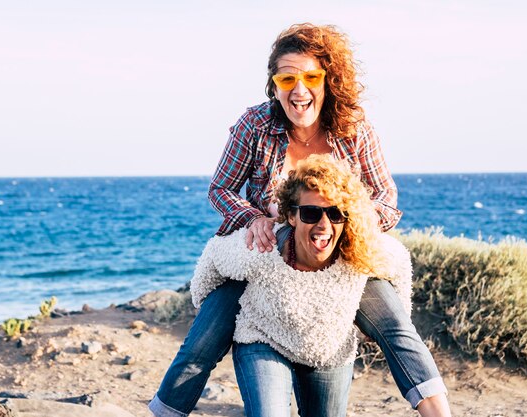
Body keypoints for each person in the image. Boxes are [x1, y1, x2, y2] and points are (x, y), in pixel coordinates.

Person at [150, 23, 450, 417]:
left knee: (396, 327)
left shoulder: (353, 129)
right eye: (286, 78)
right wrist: (253, 216)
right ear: (274, 84)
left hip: (338, 254)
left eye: (310, 76)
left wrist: (350, 224)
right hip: (268, 256)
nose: (299, 89)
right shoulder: (255, 125)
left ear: (328, 79)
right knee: (202, 343)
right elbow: (220, 189)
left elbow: (386, 198)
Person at [190, 156, 413, 417]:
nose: (324, 223)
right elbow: (214, 255)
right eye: (310, 213)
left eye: (336, 213)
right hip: (263, 335)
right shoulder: (263, 246)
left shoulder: (359, 251)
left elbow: (399, 264)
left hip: (327, 347)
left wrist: (397, 314)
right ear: (292, 216)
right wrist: (204, 302)